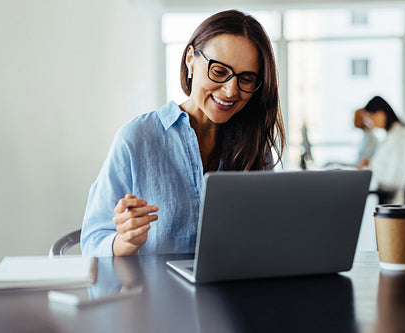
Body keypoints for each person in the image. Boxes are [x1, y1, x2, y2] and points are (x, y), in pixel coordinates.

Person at [81, 10, 286, 257]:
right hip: (156, 294)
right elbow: (92, 243)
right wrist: (126, 241)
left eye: (246, 78)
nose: (231, 91)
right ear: (191, 59)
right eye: (219, 72)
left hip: (234, 293)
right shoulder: (136, 138)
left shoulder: (253, 144)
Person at [359, 96, 405, 204]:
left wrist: (368, 172)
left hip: (391, 199)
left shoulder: (398, 138)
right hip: (385, 193)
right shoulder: (393, 135)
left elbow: (393, 179)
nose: (370, 123)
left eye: (370, 118)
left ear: (381, 114)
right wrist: (370, 165)